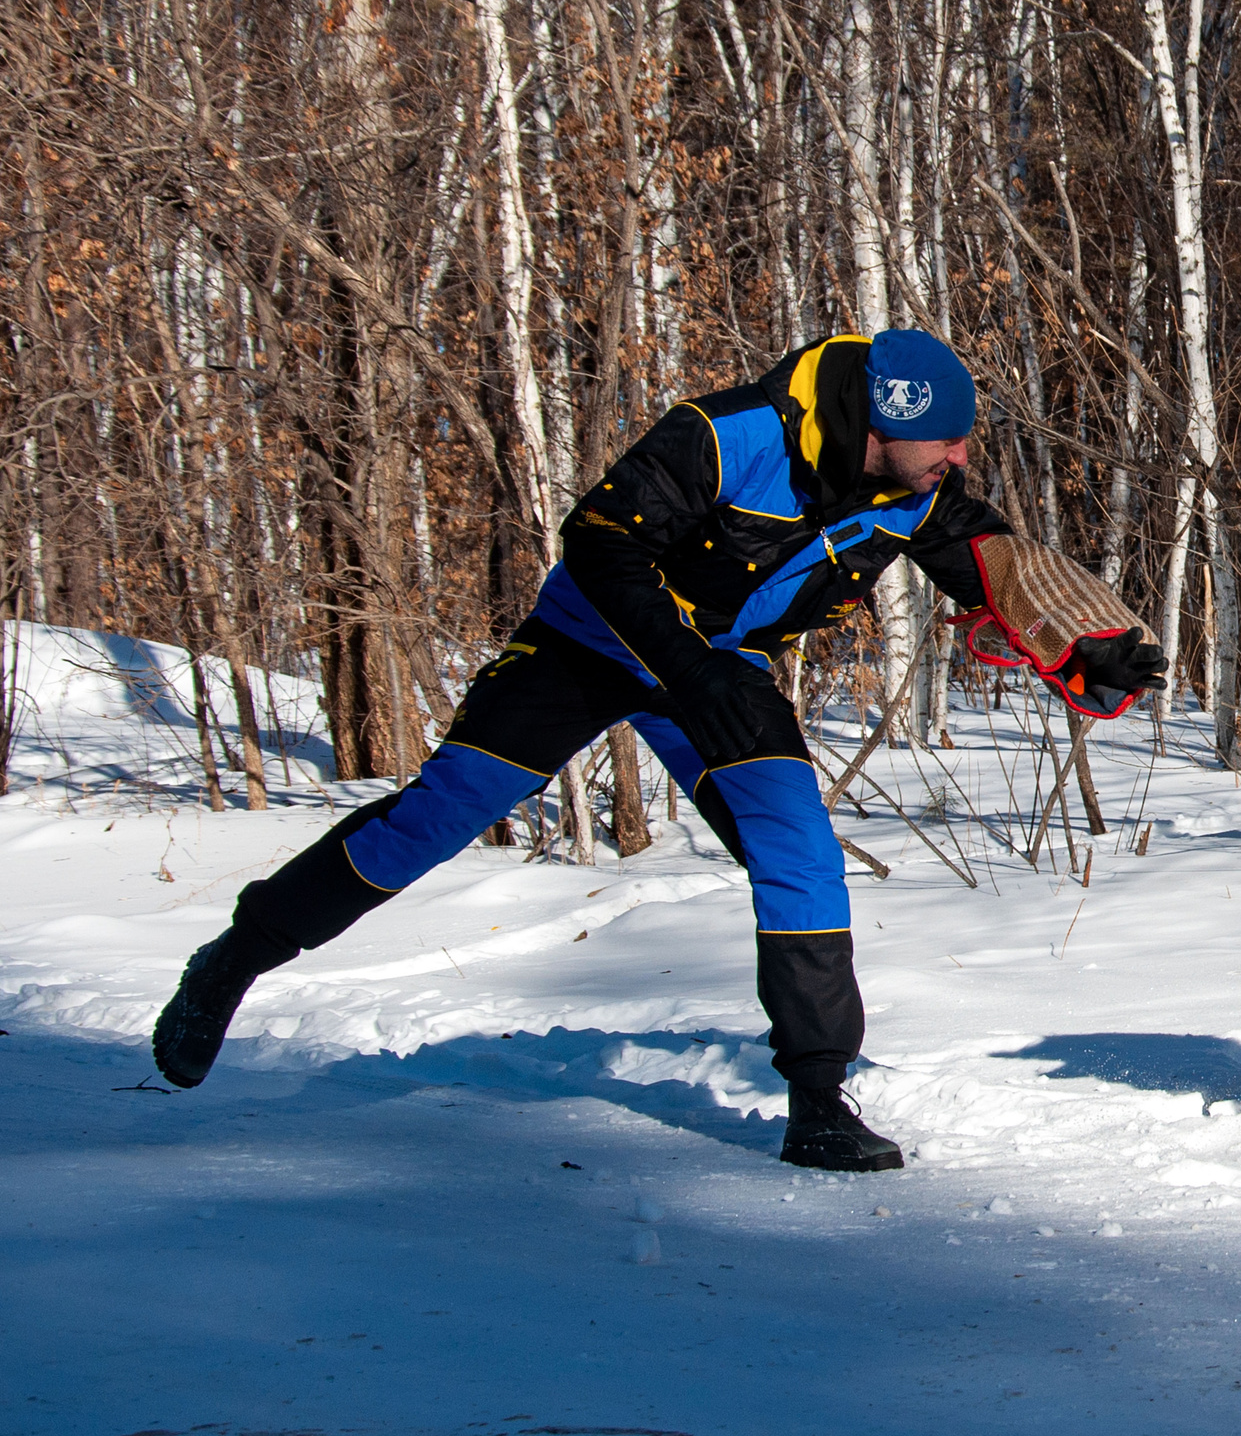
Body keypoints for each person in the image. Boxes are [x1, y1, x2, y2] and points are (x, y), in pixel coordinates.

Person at [150, 329, 1165, 1172]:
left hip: (717, 679)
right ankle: (233, 959)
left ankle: (817, 1101)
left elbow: (992, 566)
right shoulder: (727, 437)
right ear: (884, 428)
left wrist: (1099, 646)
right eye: (944, 443)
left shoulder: (912, 493)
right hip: (588, 649)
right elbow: (596, 542)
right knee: (432, 821)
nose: (957, 461)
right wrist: (689, 669)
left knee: (798, 850)